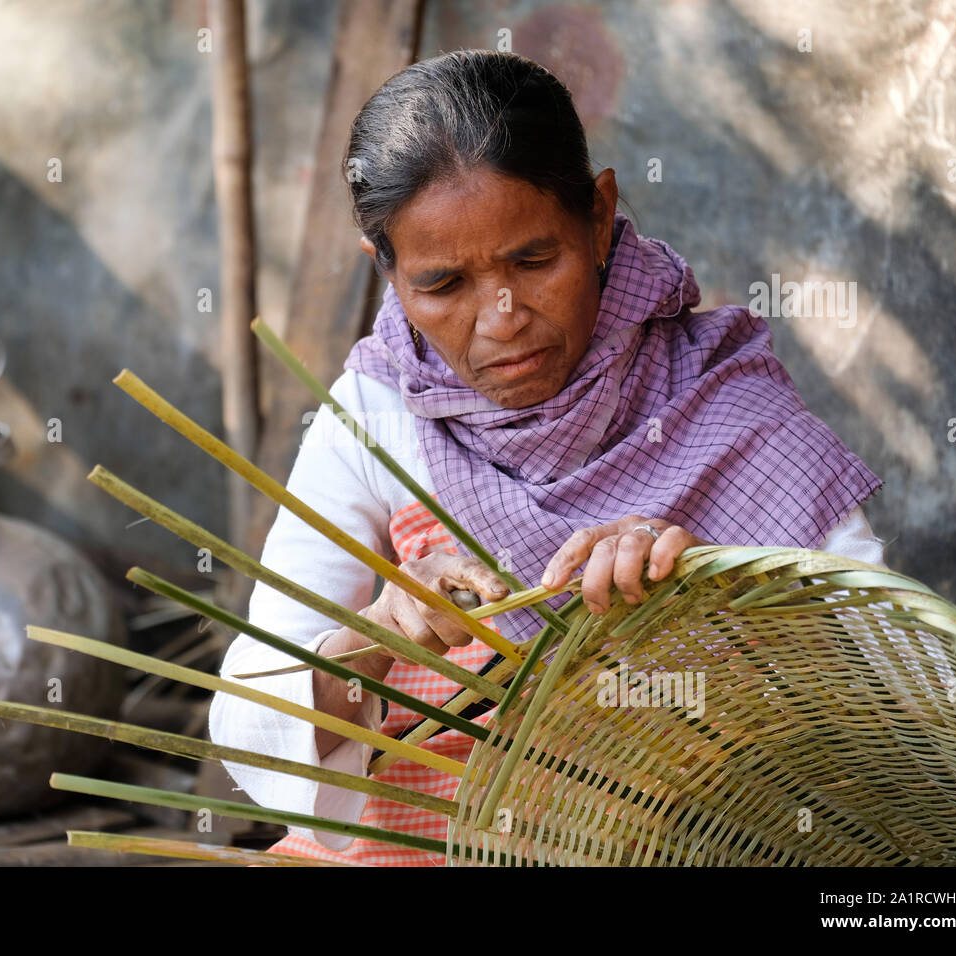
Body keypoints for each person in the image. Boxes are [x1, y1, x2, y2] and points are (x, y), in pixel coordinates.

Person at [209, 49, 884, 865]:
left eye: (533, 262)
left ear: (598, 216)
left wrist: (702, 593)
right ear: (385, 271)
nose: (501, 317)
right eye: (443, 284)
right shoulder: (375, 416)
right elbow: (246, 712)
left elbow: (887, 685)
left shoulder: (722, 403)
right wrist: (373, 638)